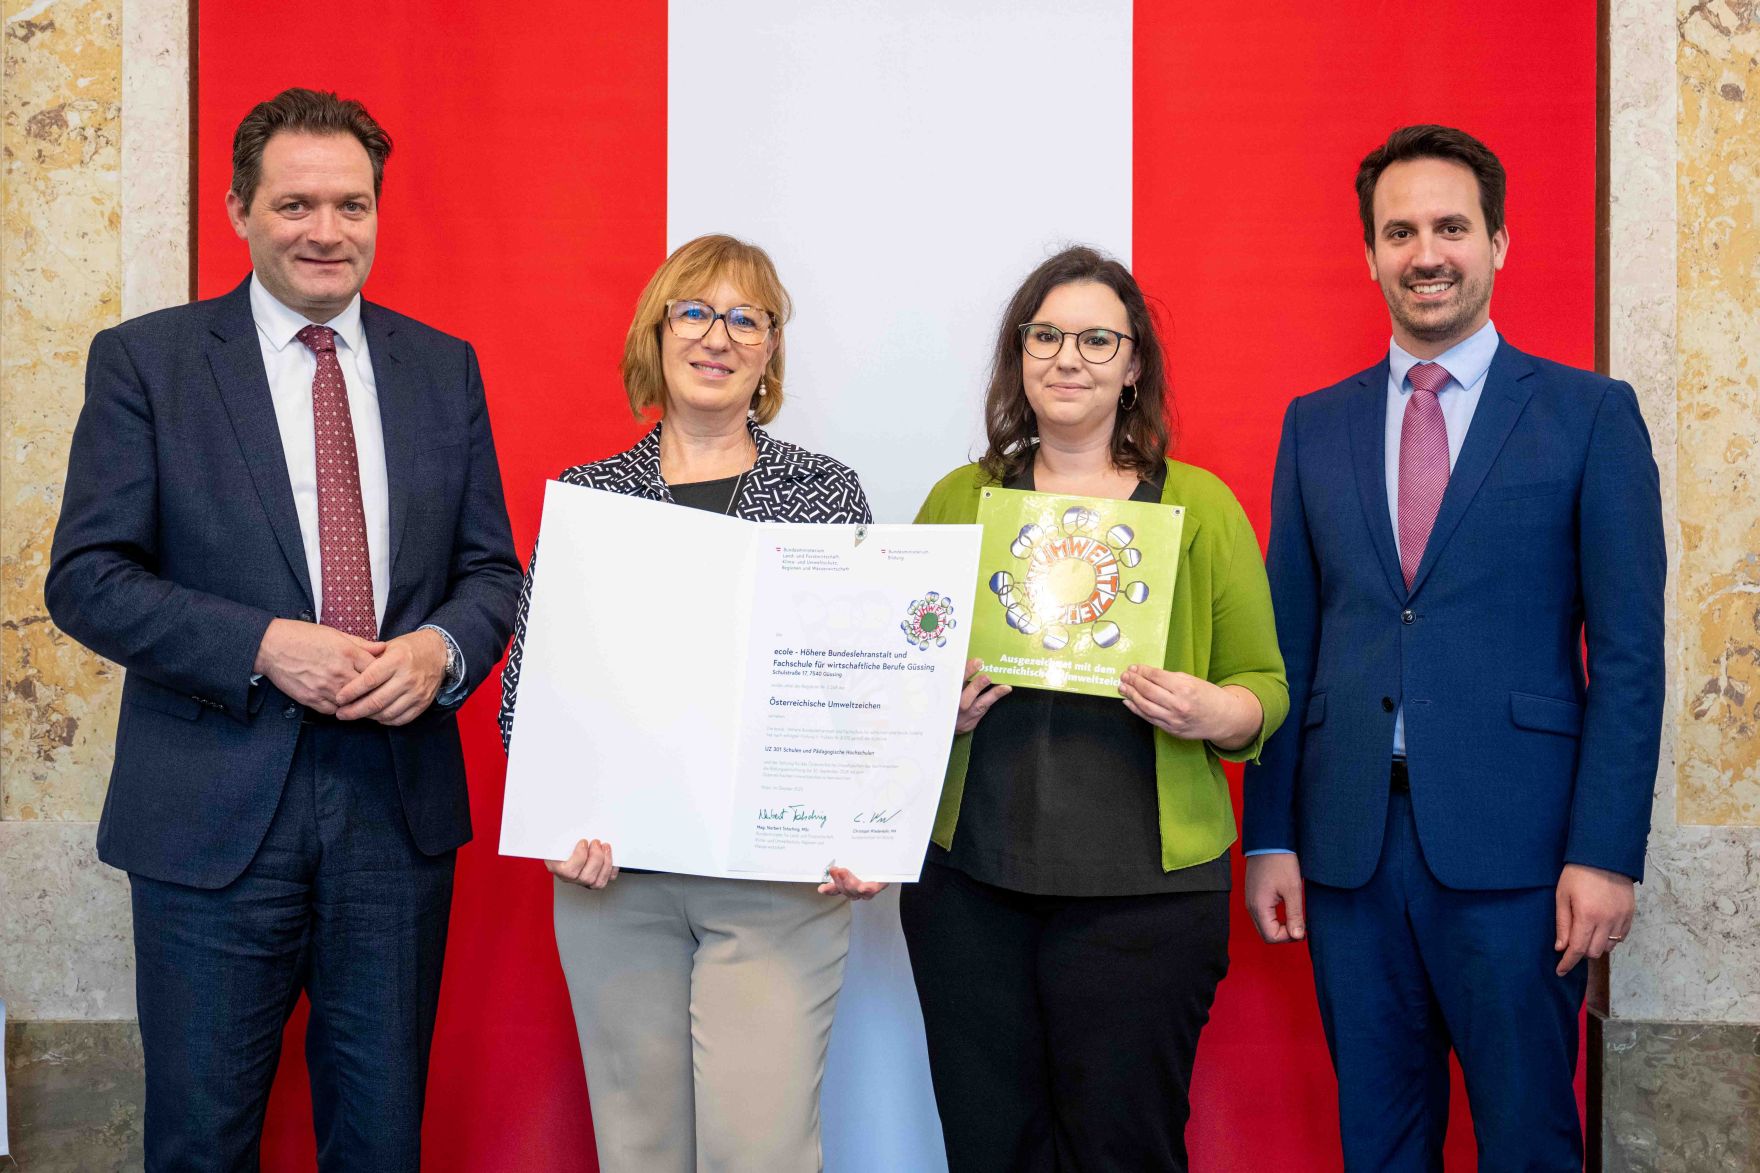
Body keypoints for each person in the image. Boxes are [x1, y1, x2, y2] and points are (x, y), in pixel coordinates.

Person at [44, 88, 521, 1170]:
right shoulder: (148, 363)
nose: (326, 231)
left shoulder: (440, 367)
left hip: (392, 820)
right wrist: (262, 642)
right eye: (296, 203)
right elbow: (87, 578)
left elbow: (490, 571)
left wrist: (441, 651)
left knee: (379, 1139)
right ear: (238, 210)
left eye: (351, 205)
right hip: (212, 820)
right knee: (201, 1143)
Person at [1242, 124, 1666, 1169]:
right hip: (1347, 851)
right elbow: (1281, 644)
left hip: (1520, 857)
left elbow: (1625, 657)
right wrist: (1268, 837)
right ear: (1369, 254)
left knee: (1526, 1139)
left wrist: (1603, 853)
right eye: (1398, 231)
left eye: (1448, 227)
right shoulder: (1314, 425)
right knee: (1377, 1143)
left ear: (1497, 242)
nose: (1424, 252)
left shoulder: (1587, 415)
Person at [901, 246, 1289, 1171]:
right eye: (1046, 335)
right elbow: (898, 667)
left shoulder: (1200, 506)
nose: (1067, 357)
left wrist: (1210, 710)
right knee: (989, 1145)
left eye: (1095, 338)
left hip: (1145, 903)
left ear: (1133, 363)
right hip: (970, 886)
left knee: (1126, 1147)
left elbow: (1264, 693)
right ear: (1018, 355)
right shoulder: (961, 499)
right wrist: (931, 707)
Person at [497, 234, 878, 1173]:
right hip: (614, 879)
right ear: (657, 333)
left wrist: (863, 818)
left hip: (777, 886)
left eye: (749, 317)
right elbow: (525, 694)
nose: (720, 335)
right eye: (696, 311)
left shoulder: (825, 494)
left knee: (761, 1153)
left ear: (770, 351)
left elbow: (857, 689)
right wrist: (558, 812)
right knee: (639, 1151)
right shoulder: (590, 498)